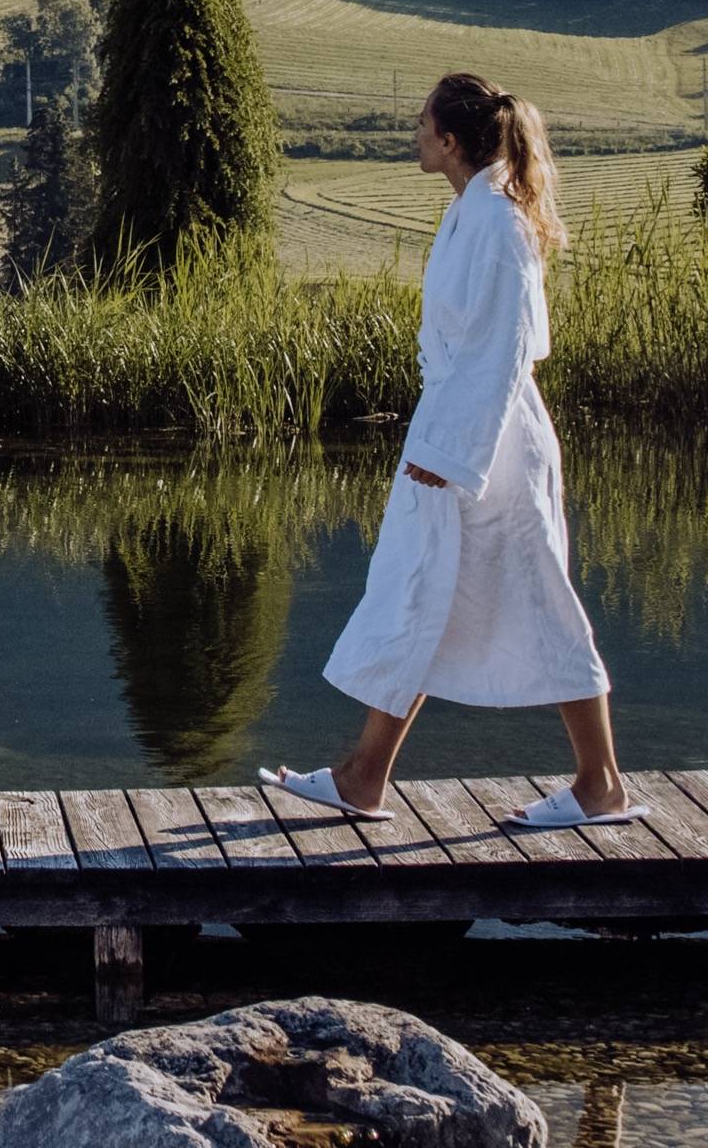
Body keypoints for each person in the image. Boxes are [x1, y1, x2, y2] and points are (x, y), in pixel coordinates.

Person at [263, 69, 638, 831]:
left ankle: (600, 786)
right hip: (457, 432)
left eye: (421, 123)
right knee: (417, 592)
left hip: (490, 443)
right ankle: (362, 778)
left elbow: (500, 352)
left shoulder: (498, 225)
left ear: (449, 140)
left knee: (539, 603)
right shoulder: (471, 213)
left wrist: (454, 456)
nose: (413, 134)